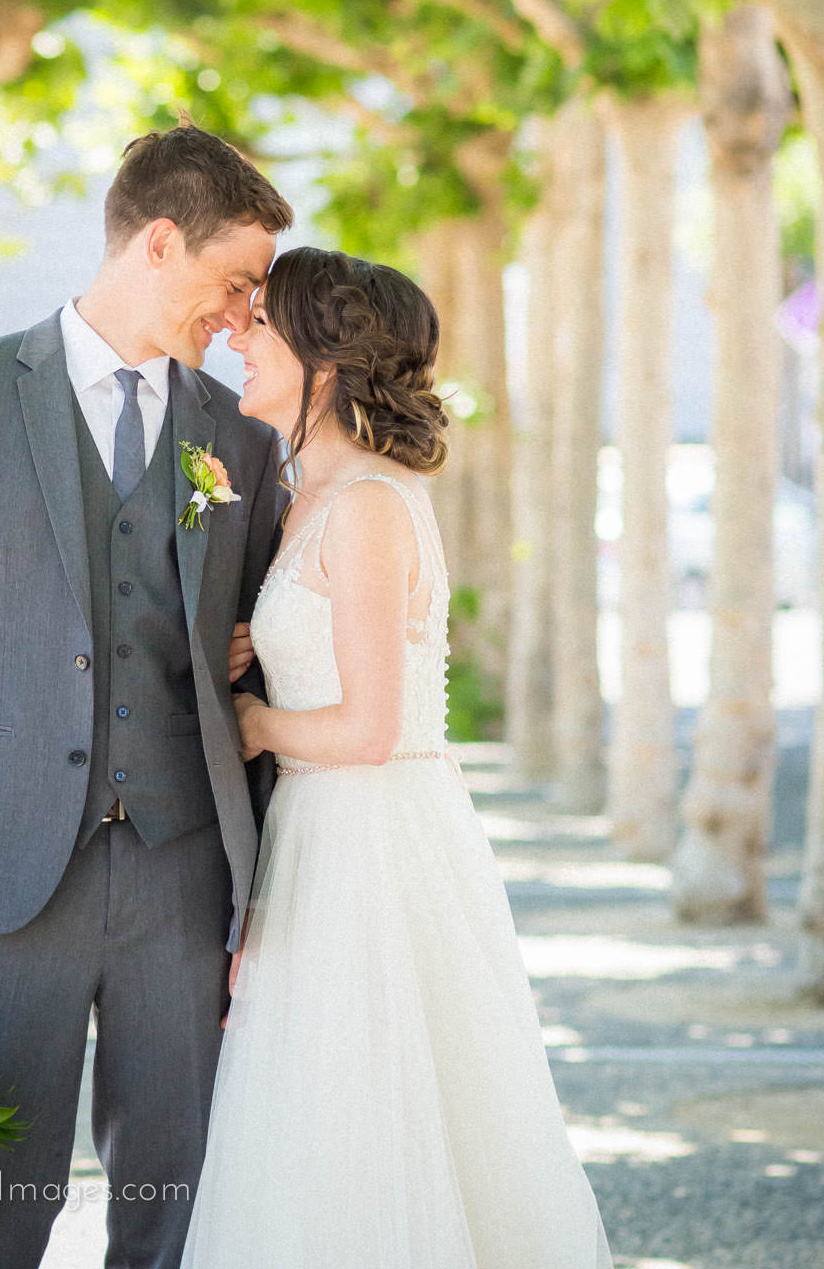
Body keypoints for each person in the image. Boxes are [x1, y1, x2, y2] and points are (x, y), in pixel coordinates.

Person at [0, 121, 294, 1269]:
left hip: (181, 877)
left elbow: (262, 658)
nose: (244, 314)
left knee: (179, 1199)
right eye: (235, 281)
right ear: (158, 241)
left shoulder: (235, 443)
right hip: (3, 877)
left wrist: (260, 892)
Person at [180, 245, 615, 1269]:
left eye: (261, 323)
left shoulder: (368, 505)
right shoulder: (314, 498)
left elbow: (373, 728)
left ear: (321, 363)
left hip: (366, 851)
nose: (237, 335)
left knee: (364, 1125)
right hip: (321, 836)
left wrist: (254, 723)